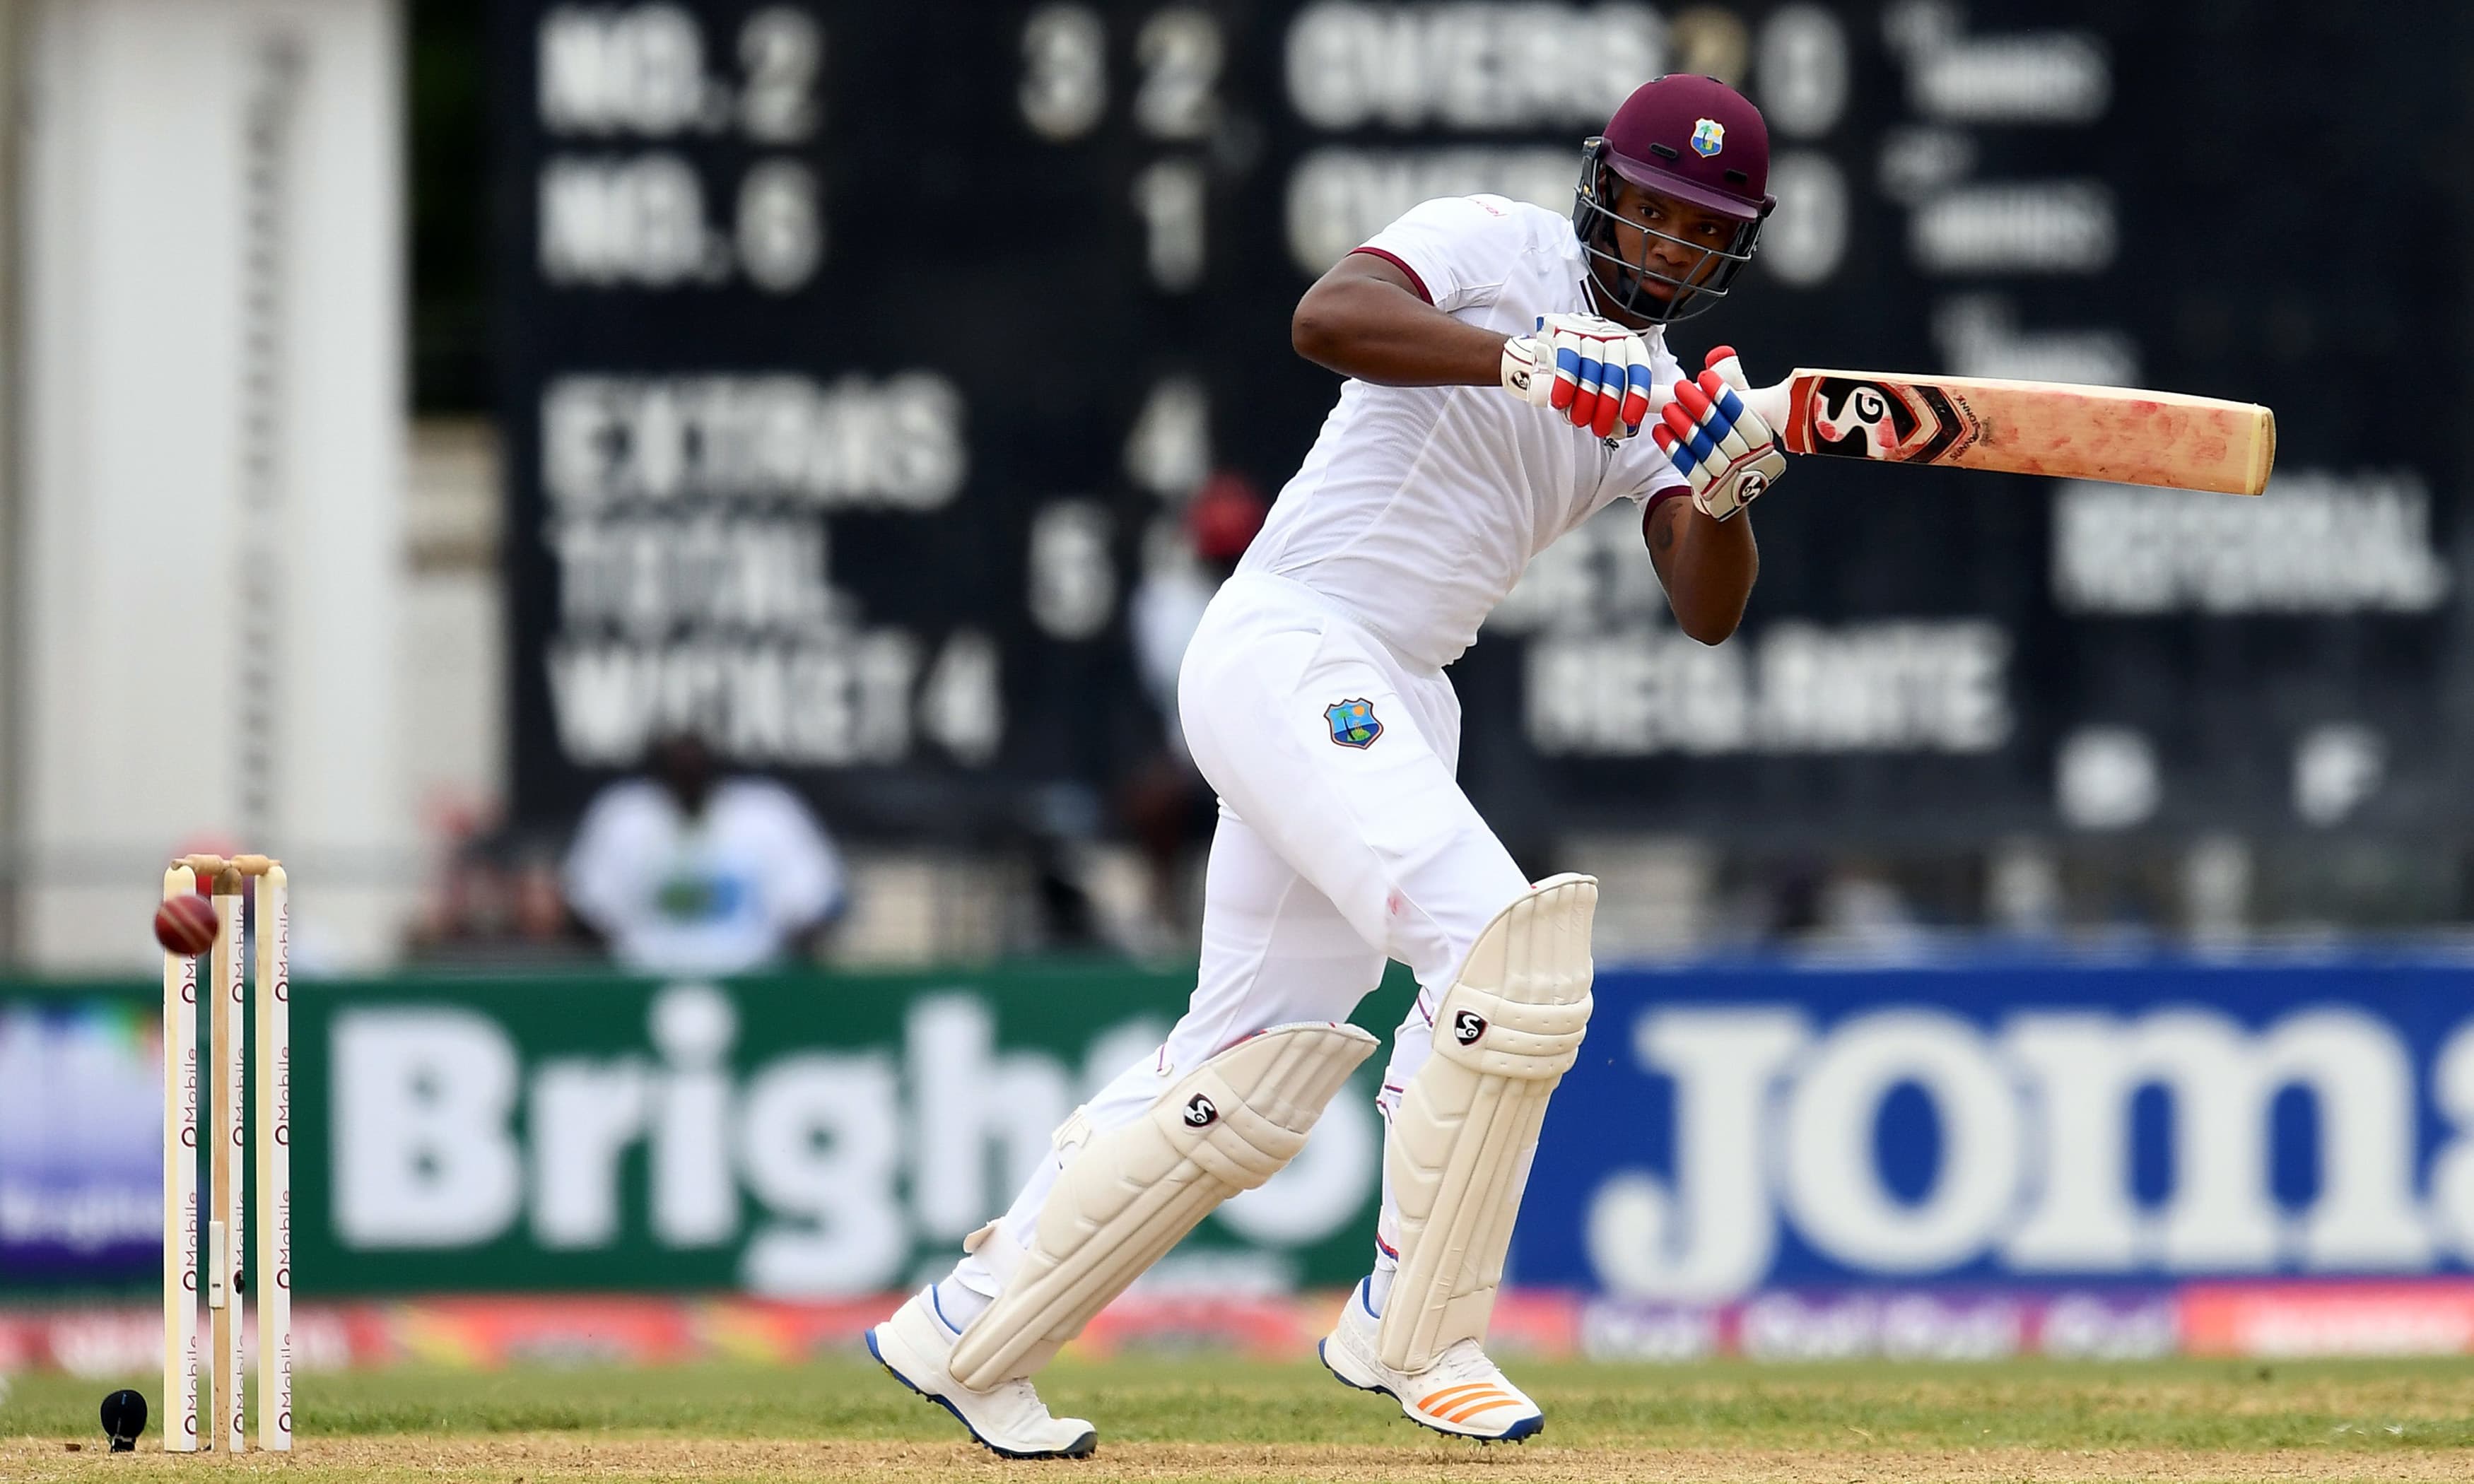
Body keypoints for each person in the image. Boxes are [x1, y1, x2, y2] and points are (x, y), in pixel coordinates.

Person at [867, 73, 1784, 1456]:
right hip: (1296, 642)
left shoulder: (1666, 392)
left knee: (1246, 1074)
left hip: (1401, 693)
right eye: (1651, 212)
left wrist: (1721, 490)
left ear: (1729, 251)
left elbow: (1706, 608)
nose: (1665, 247)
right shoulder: (1486, 242)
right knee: (1503, 954)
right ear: (1602, 185)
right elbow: (1328, 321)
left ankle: (965, 1329)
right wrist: (1522, 358)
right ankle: (1417, 1335)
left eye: (1697, 231)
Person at [562, 732, 846, 975]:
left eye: (696, 770)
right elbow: (586, 906)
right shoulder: (623, 815)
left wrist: (786, 967)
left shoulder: (768, 814)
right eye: (677, 772)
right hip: (641, 983)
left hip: (755, 980)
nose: (688, 779)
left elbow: (816, 901)